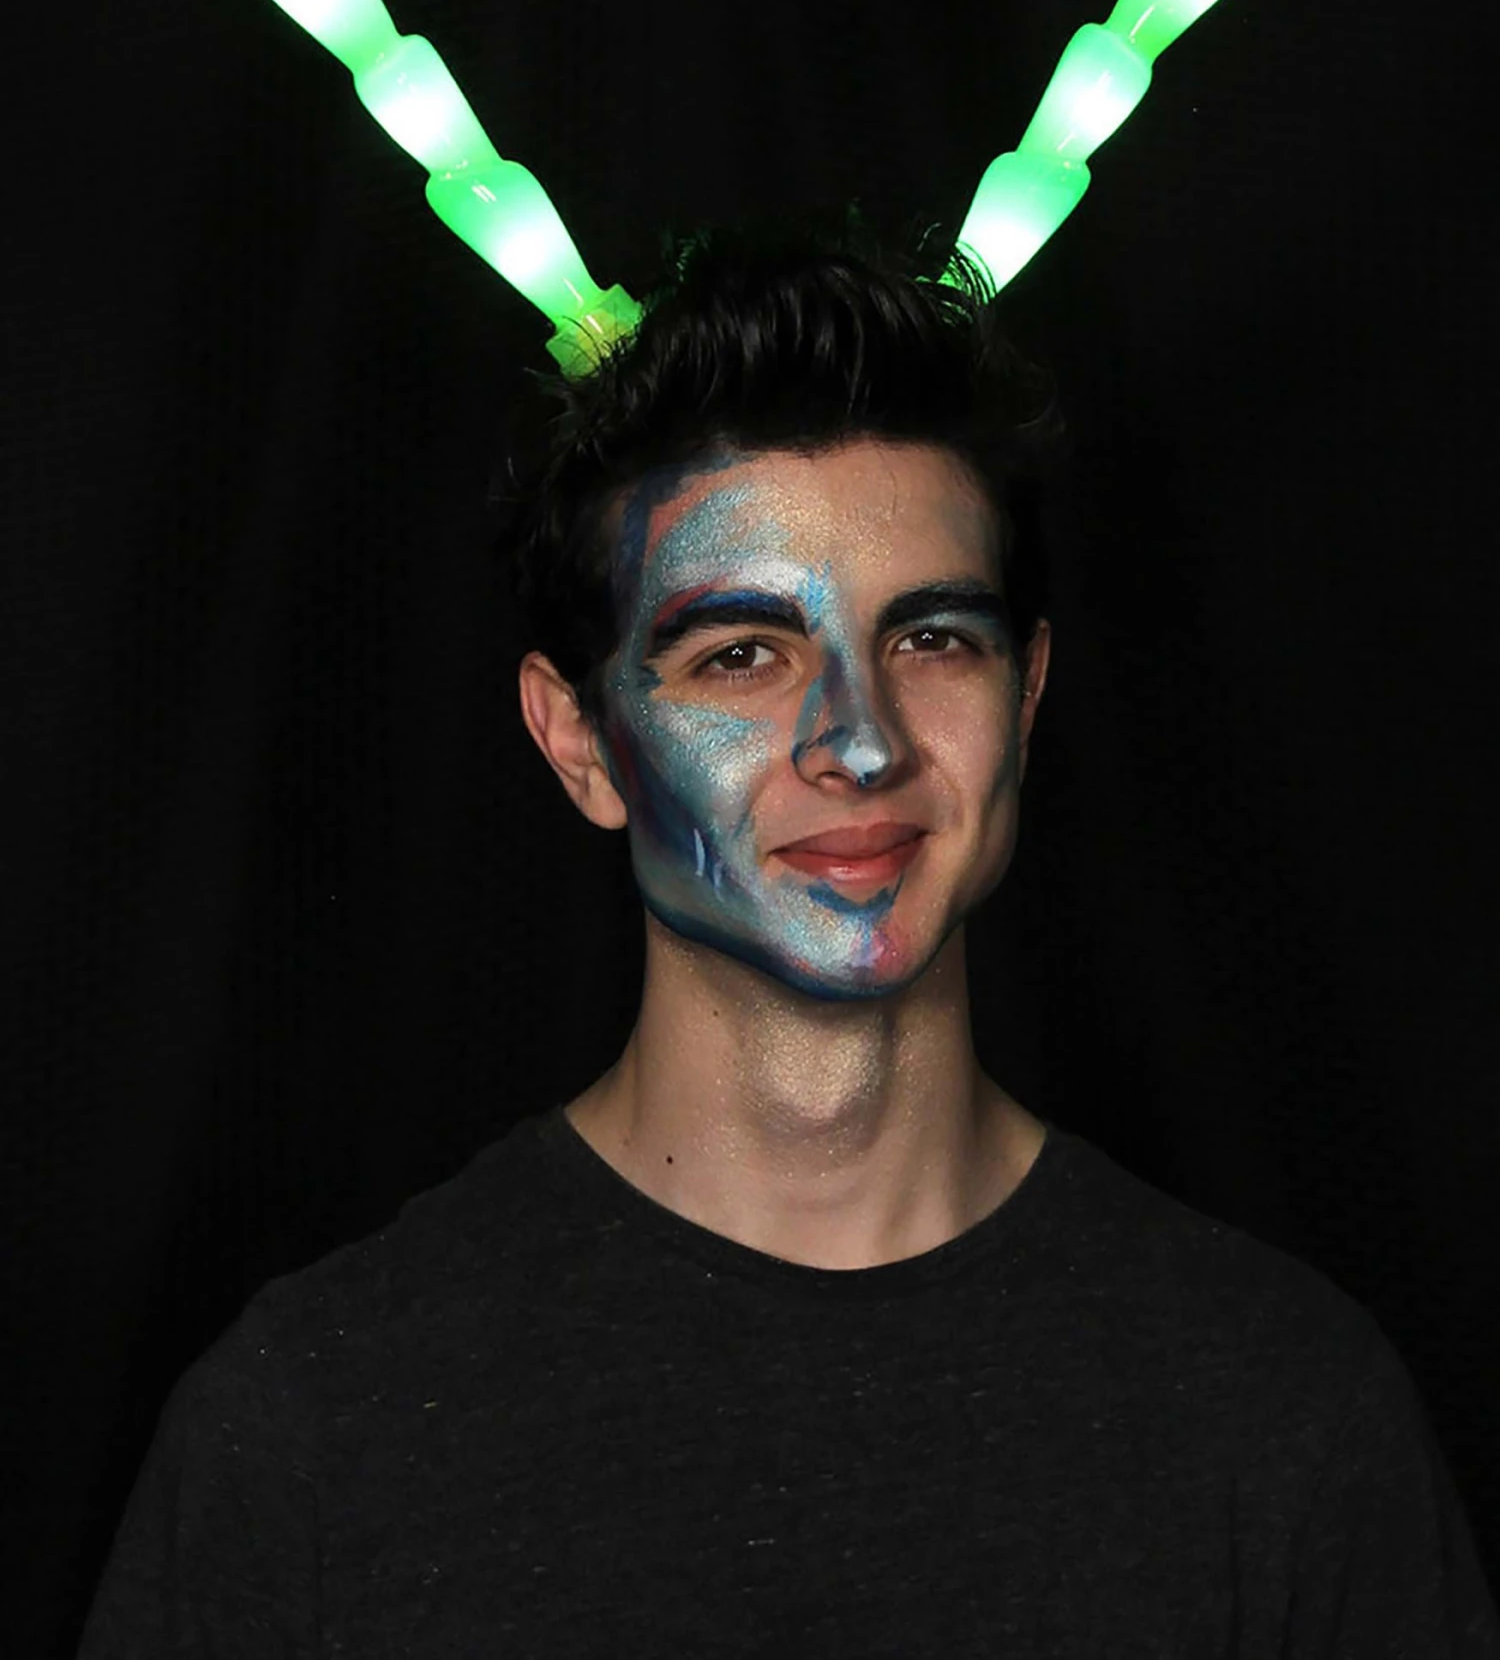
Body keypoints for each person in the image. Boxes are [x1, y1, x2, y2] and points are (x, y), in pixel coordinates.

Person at [77, 219, 1499, 1655]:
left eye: (932, 638)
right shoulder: (310, 1432)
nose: (862, 744)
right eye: (743, 655)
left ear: (1027, 694)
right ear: (580, 739)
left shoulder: (1285, 1411)